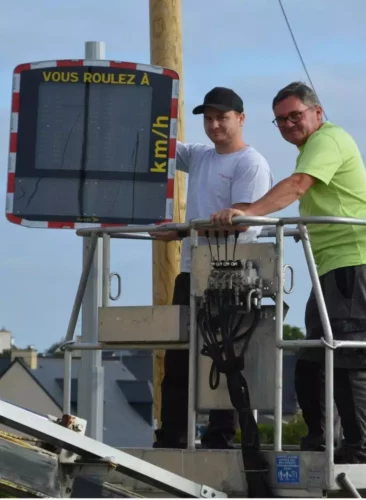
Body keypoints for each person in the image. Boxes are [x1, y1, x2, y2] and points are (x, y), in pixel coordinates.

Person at [211, 81, 366, 463]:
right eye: (280, 120)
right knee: (314, 357)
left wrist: (249, 212)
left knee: (349, 359)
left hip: (352, 262)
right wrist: (251, 210)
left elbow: (297, 187)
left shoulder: (328, 140)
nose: (288, 124)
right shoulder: (312, 148)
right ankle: (320, 437)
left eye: (295, 115)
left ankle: (359, 448)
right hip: (329, 267)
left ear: (317, 111)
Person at [152, 86, 273, 449]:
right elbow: (162, 143)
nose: (215, 124)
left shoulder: (250, 163)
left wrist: (183, 230)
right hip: (193, 269)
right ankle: (171, 435)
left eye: (222, 117)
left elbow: (244, 221)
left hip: (232, 271)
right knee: (178, 356)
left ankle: (221, 435)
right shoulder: (202, 157)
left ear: (241, 119)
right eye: (208, 118)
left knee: (227, 357)